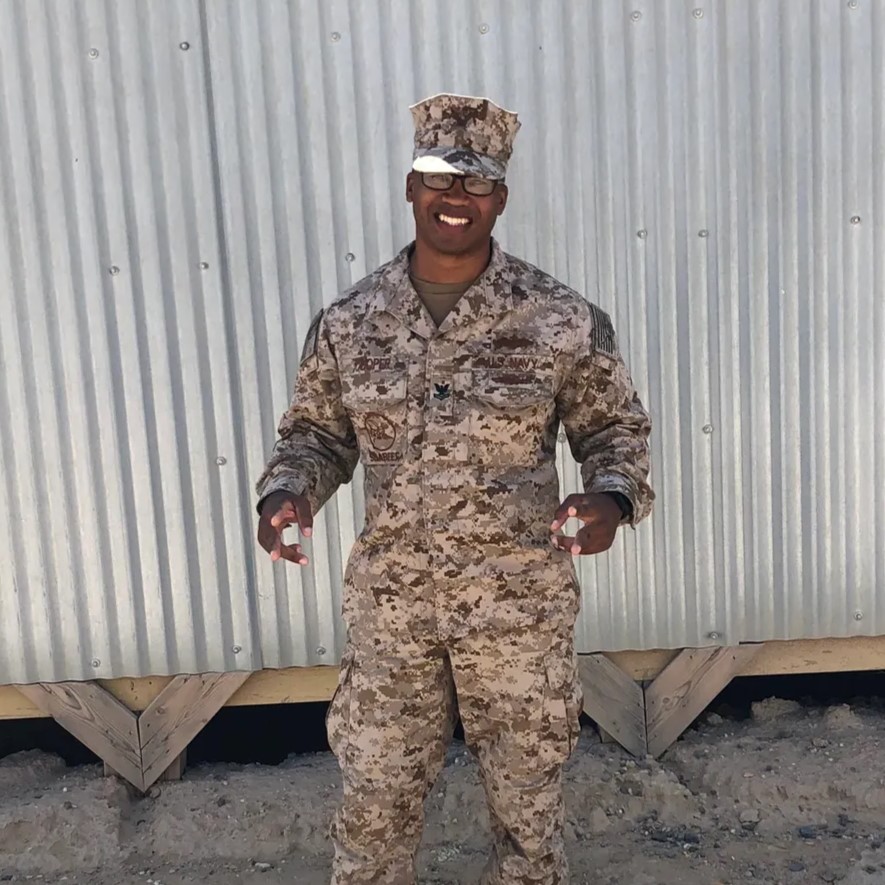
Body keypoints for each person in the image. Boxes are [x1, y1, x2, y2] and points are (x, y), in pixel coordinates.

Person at [255, 92, 654, 885]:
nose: (454, 197)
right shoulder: (351, 322)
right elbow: (316, 435)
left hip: (517, 613)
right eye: (439, 177)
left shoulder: (559, 320)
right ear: (411, 187)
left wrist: (609, 500)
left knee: (527, 814)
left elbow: (614, 435)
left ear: (499, 198)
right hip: (393, 614)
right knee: (374, 803)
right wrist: (286, 494)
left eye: (476, 184)